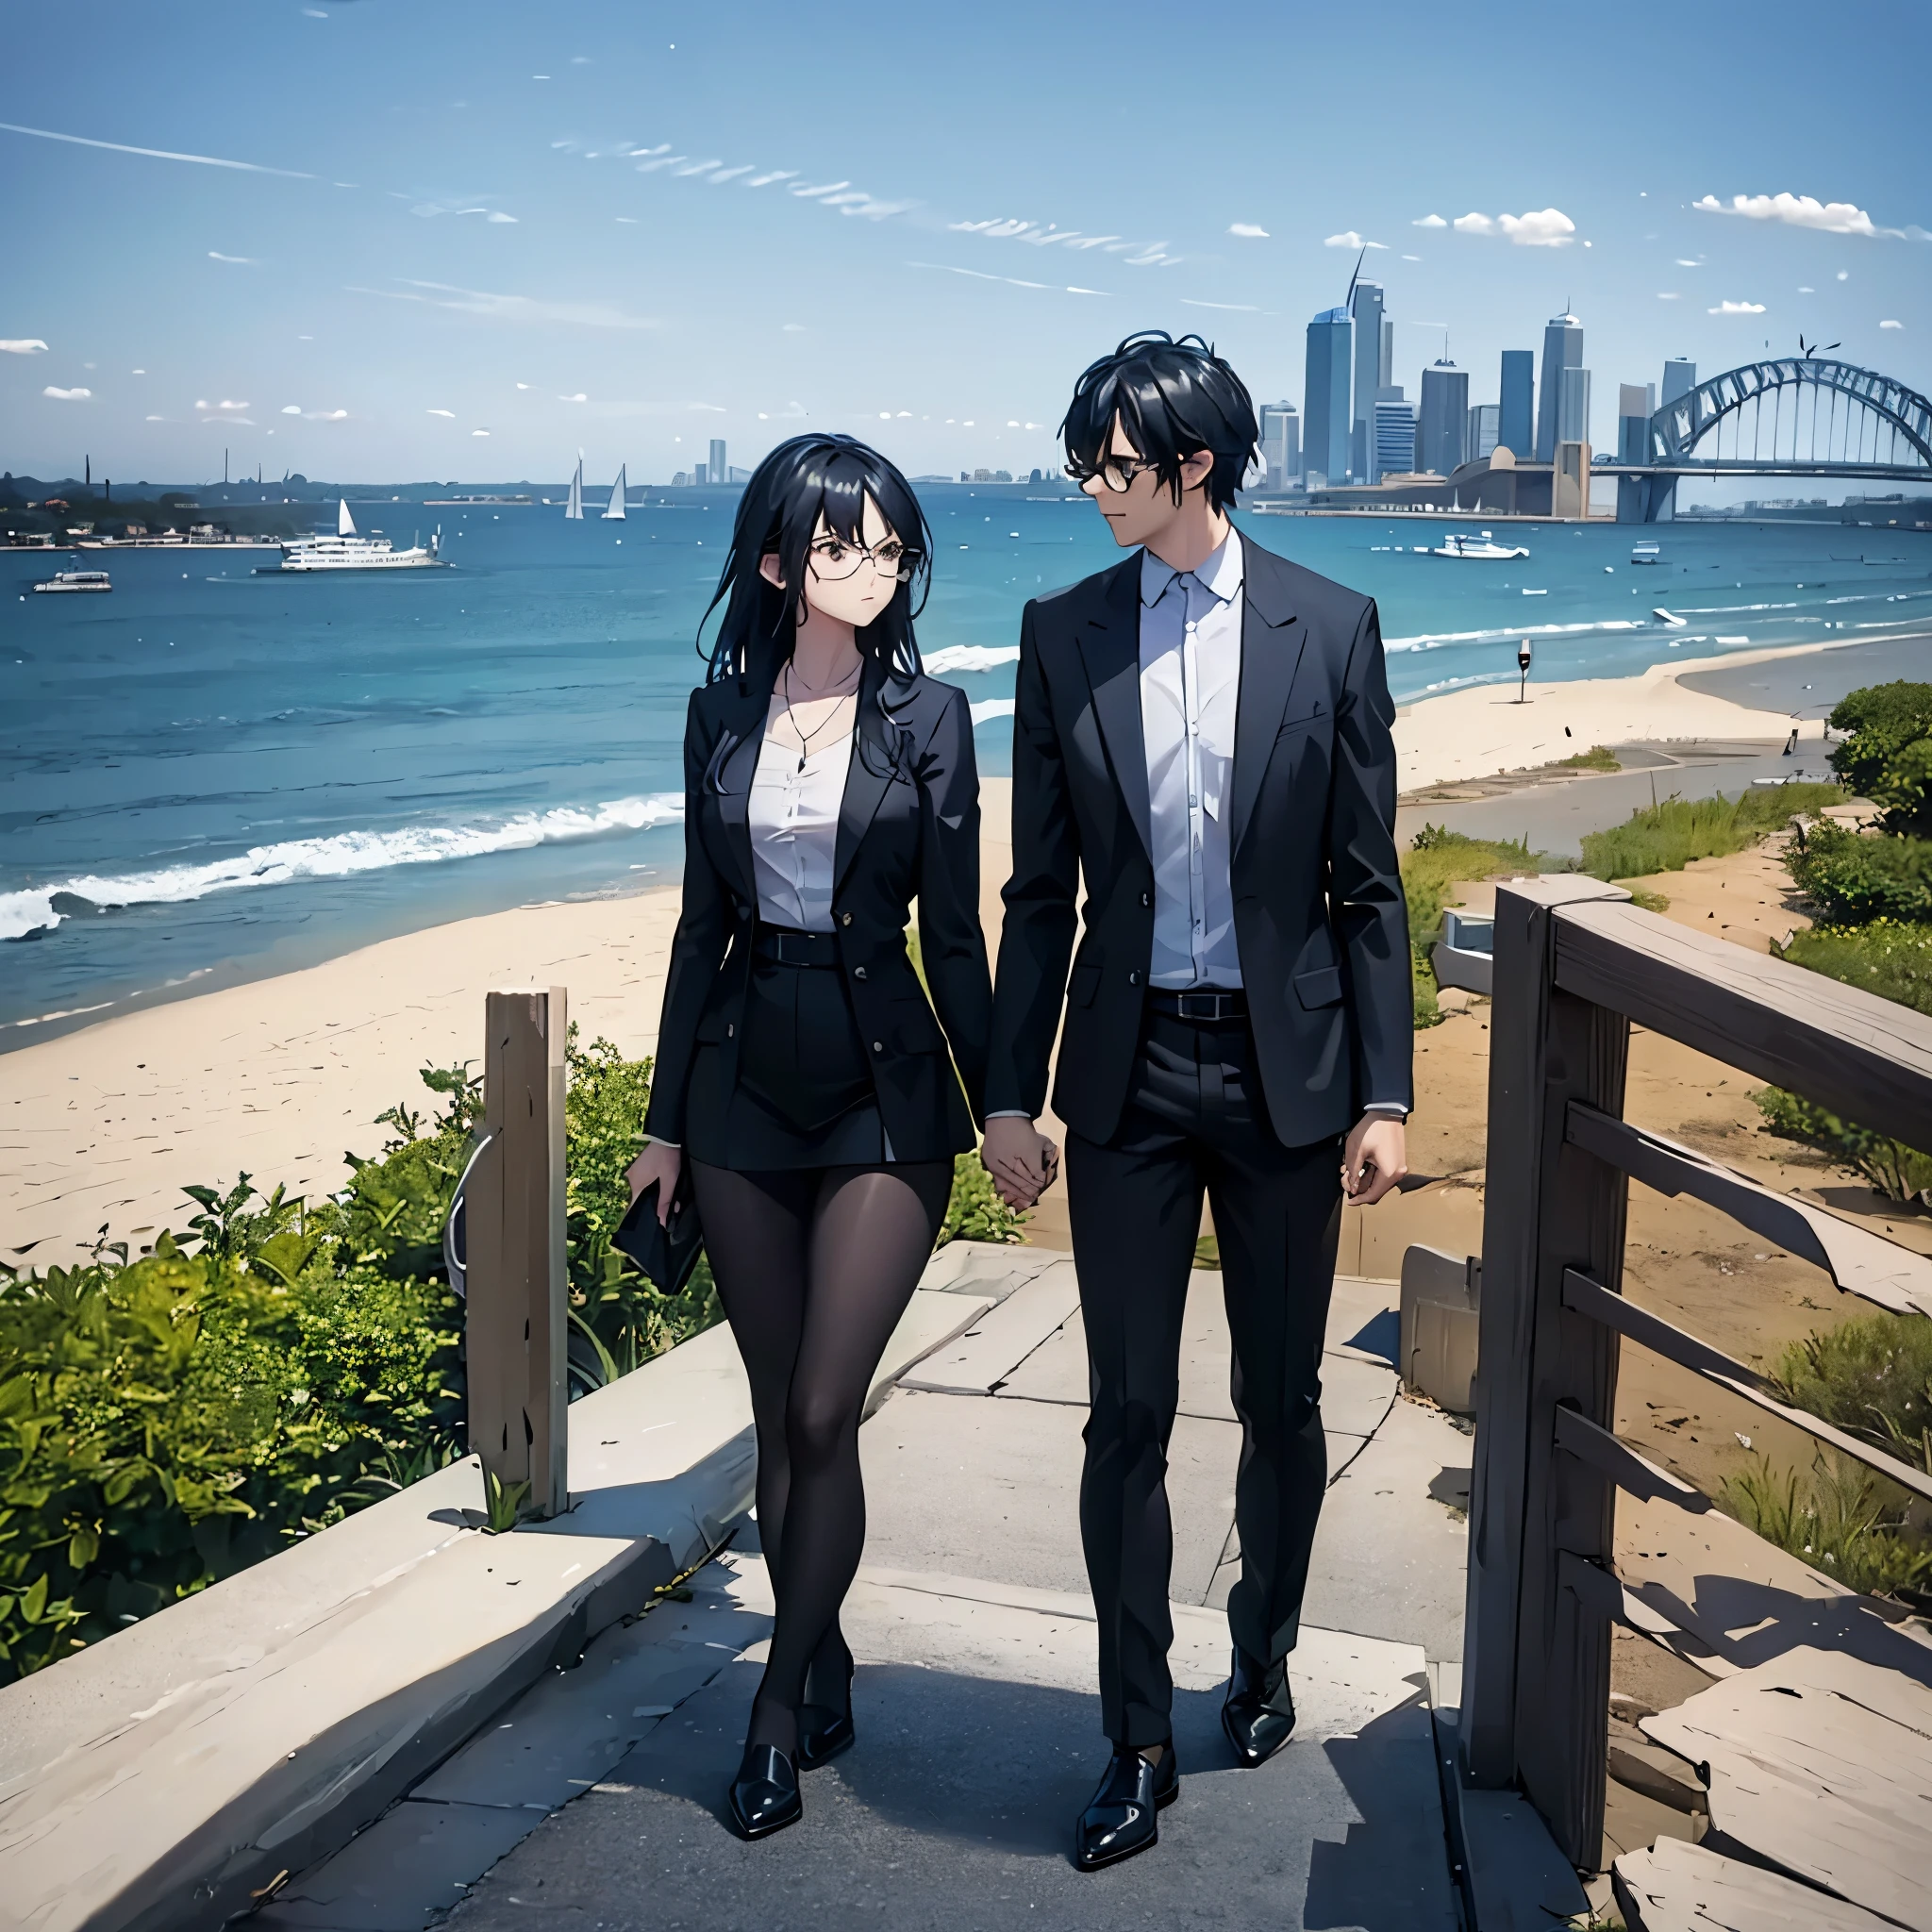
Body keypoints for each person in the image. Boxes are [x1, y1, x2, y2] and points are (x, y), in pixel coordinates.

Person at [979, 332, 1413, 1871]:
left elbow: (1368, 890)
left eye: (1116, 460)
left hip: (1293, 1082)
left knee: (1283, 1402)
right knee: (1128, 1418)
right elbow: (1039, 896)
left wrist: (1388, 1092)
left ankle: (1268, 1644)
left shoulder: (1332, 624)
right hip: (1130, 1073)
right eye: (1086, 458)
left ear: (1196, 467)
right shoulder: (1061, 633)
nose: (1094, 483)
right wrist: (1008, 1099)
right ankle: (1135, 1737)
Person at [625, 434, 990, 1842]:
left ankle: (776, 1712)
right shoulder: (717, 716)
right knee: (783, 1417)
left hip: (885, 1098)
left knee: (829, 1408)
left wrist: (1006, 1098)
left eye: (893, 544)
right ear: (780, 560)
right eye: (844, 544)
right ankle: (821, 1648)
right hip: (734, 1096)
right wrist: (663, 1127)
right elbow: (696, 925)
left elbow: (955, 937)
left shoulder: (933, 718)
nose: (875, 566)